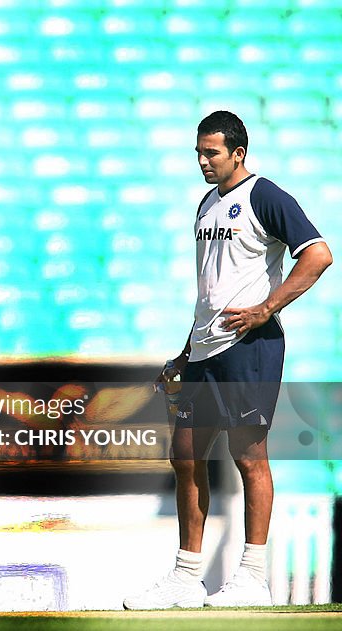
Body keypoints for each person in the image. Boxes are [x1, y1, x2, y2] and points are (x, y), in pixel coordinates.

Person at [124, 111, 332, 609]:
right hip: (205, 349)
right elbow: (213, 288)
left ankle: (252, 575)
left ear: (238, 153)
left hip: (249, 347)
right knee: (185, 455)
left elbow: (319, 254)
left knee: (248, 456)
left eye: (212, 152)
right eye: (199, 152)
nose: (203, 161)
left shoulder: (264, 195)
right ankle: (185, 577)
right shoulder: (205, 205)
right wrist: (185, 350)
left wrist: (265, 309)